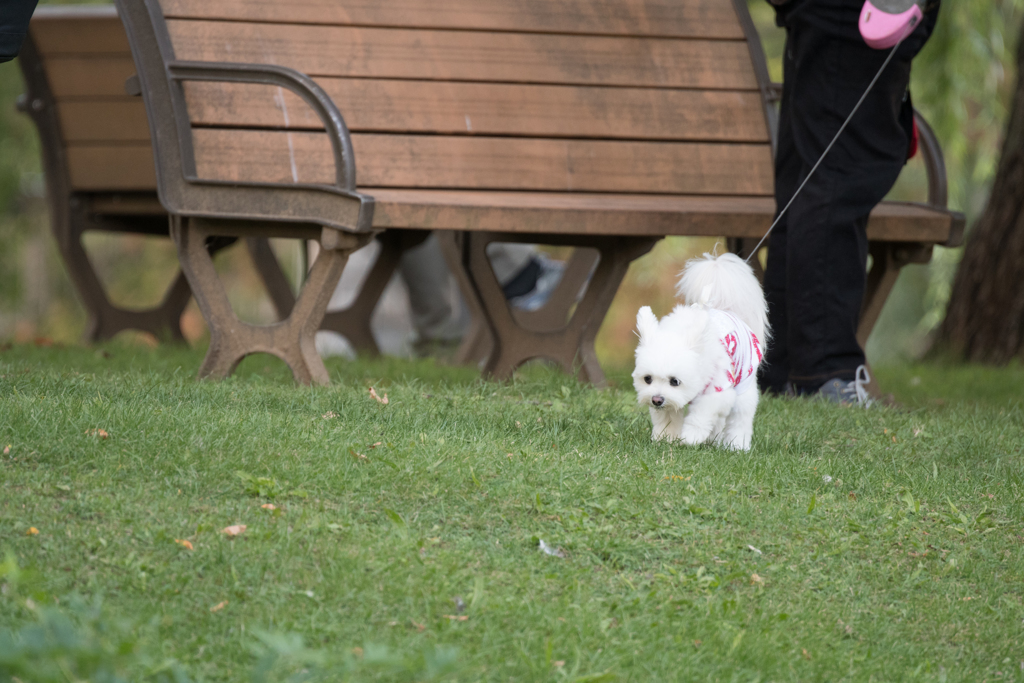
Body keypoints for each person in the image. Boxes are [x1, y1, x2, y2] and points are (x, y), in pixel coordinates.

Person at [758, 0, 940, 404]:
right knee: (836, 181)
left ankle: (784, 371)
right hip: (854, 16)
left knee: (811, 180)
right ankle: (825, 376)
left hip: (839, 16)